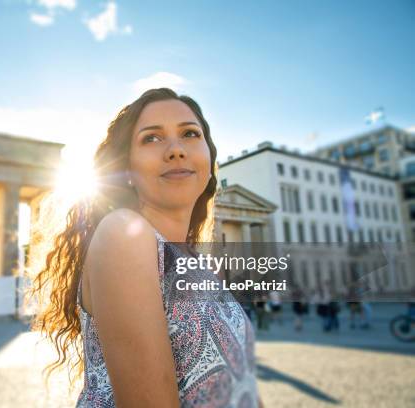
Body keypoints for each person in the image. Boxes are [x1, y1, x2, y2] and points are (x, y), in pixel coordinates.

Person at [27, 88, 262, 407]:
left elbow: (241, 386)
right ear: (127, 170)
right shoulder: (126, 233)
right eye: (152, 138)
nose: (176, 149)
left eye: (190, 134)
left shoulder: (196, 263)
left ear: (209, 159)